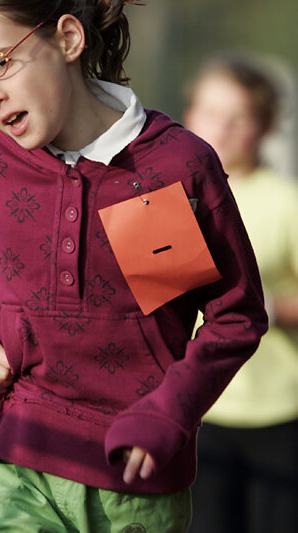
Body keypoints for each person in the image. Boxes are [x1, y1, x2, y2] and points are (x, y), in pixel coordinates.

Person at [0, 2, 268, 532]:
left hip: (133, 476)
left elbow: (236, 317)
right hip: (4, 449)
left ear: (68, 39)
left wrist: (170, 411)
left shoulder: (176, 165)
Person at [184, 53, 298, 533]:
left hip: (278, 413)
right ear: (190, 114)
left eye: (239, 118)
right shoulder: (165, 195)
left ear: (264, 127)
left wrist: (265, 307)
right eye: (211, 112)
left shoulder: (286, 201)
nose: (221, 128)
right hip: (195, 405)